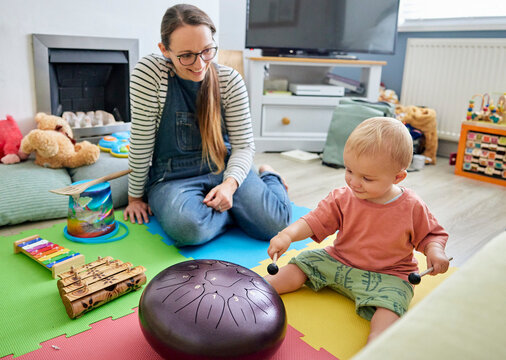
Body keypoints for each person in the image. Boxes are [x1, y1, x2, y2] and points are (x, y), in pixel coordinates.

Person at [266, 117, 450, 343]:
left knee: (393, 304)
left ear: (398, 177)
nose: (354, 182)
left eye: (367, 178)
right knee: (303, 262)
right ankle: (260, 290)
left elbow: (432, 235)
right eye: (350, 170)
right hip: (338, 261)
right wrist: (287, 235)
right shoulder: (343, 197)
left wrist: (435, 252)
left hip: (389, 274)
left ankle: (377, 342)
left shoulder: (412, 206)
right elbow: (314, 220)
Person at [124, 4, 291, 246]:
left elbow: (243, 146)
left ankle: (268, 175)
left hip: (223, 168)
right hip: (172, 178)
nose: (200, 64)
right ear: (164, 50)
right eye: (186, 55)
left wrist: (230, 185)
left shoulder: (229, 81)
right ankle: (241, 216)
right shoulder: (152, 74)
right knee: (188, 229)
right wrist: (134, 198)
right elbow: (141, 142)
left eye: (207, 51)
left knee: (276, 225)